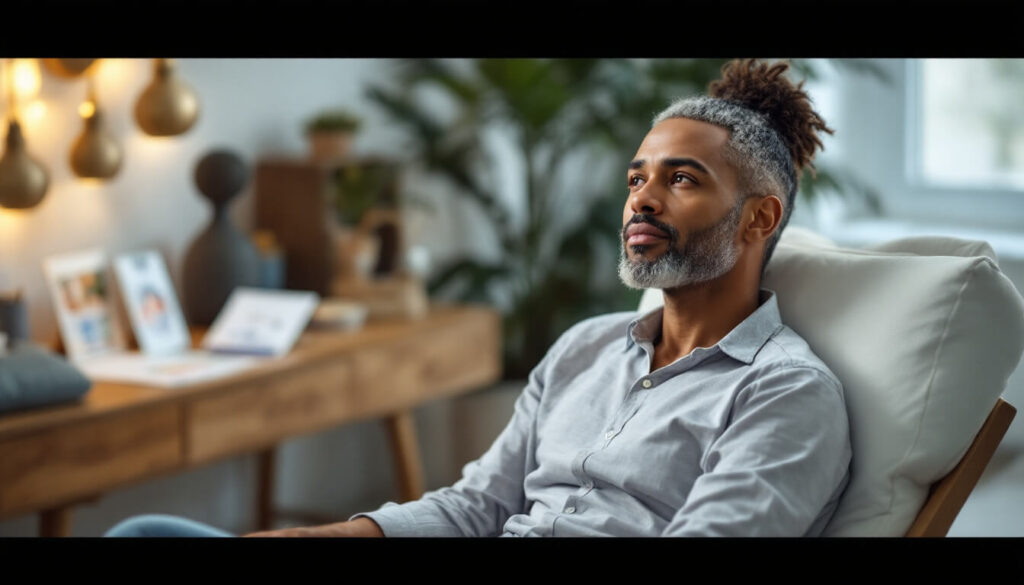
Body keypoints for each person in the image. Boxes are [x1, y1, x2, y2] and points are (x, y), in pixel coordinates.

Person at [105, 58, 851, 538]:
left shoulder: (786, 394)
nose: (641, 200)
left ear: (759, 218)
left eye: (681, 179)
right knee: (144, 534)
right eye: (636, 178)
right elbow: (476, 506)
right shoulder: (585, 347)